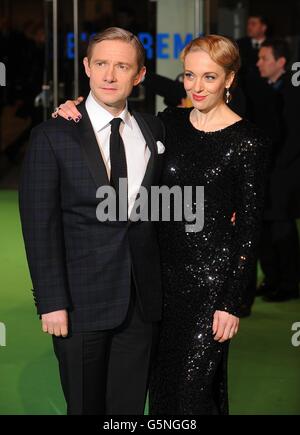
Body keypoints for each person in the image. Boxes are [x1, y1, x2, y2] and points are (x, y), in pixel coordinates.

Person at [55, 34, 269, 414]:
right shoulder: (168, 124)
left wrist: (231, 302)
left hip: (209, 288)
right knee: (157, 391)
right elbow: (112, 114)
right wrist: (75, 107)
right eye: (189, 75)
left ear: (229, 79)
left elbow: (250, 227)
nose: (197, 87)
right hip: (156, 284)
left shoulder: (248, 141)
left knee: (191, 394)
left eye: (209, 77)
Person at [19, 27, 165, 415]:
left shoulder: (154, 131)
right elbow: (38, 227)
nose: (110, 75)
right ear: (86, 67)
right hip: (79, 302)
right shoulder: (52, 135)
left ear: (139, 75)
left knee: (128, 409)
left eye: (122, 66)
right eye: (101, 64)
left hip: (140, 303)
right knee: (85, 407)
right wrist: (51, 302)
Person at [251, 39, 300, 302]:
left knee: (282, 228)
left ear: (280, 62)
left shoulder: (293, 91)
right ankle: (271, 278)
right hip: (267, 171)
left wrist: (278, 164)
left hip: (284, 173)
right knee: (264, 229)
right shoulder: (262, 90)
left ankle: (289, 283)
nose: (259, 63)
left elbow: (294, 135)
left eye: (264, 58)